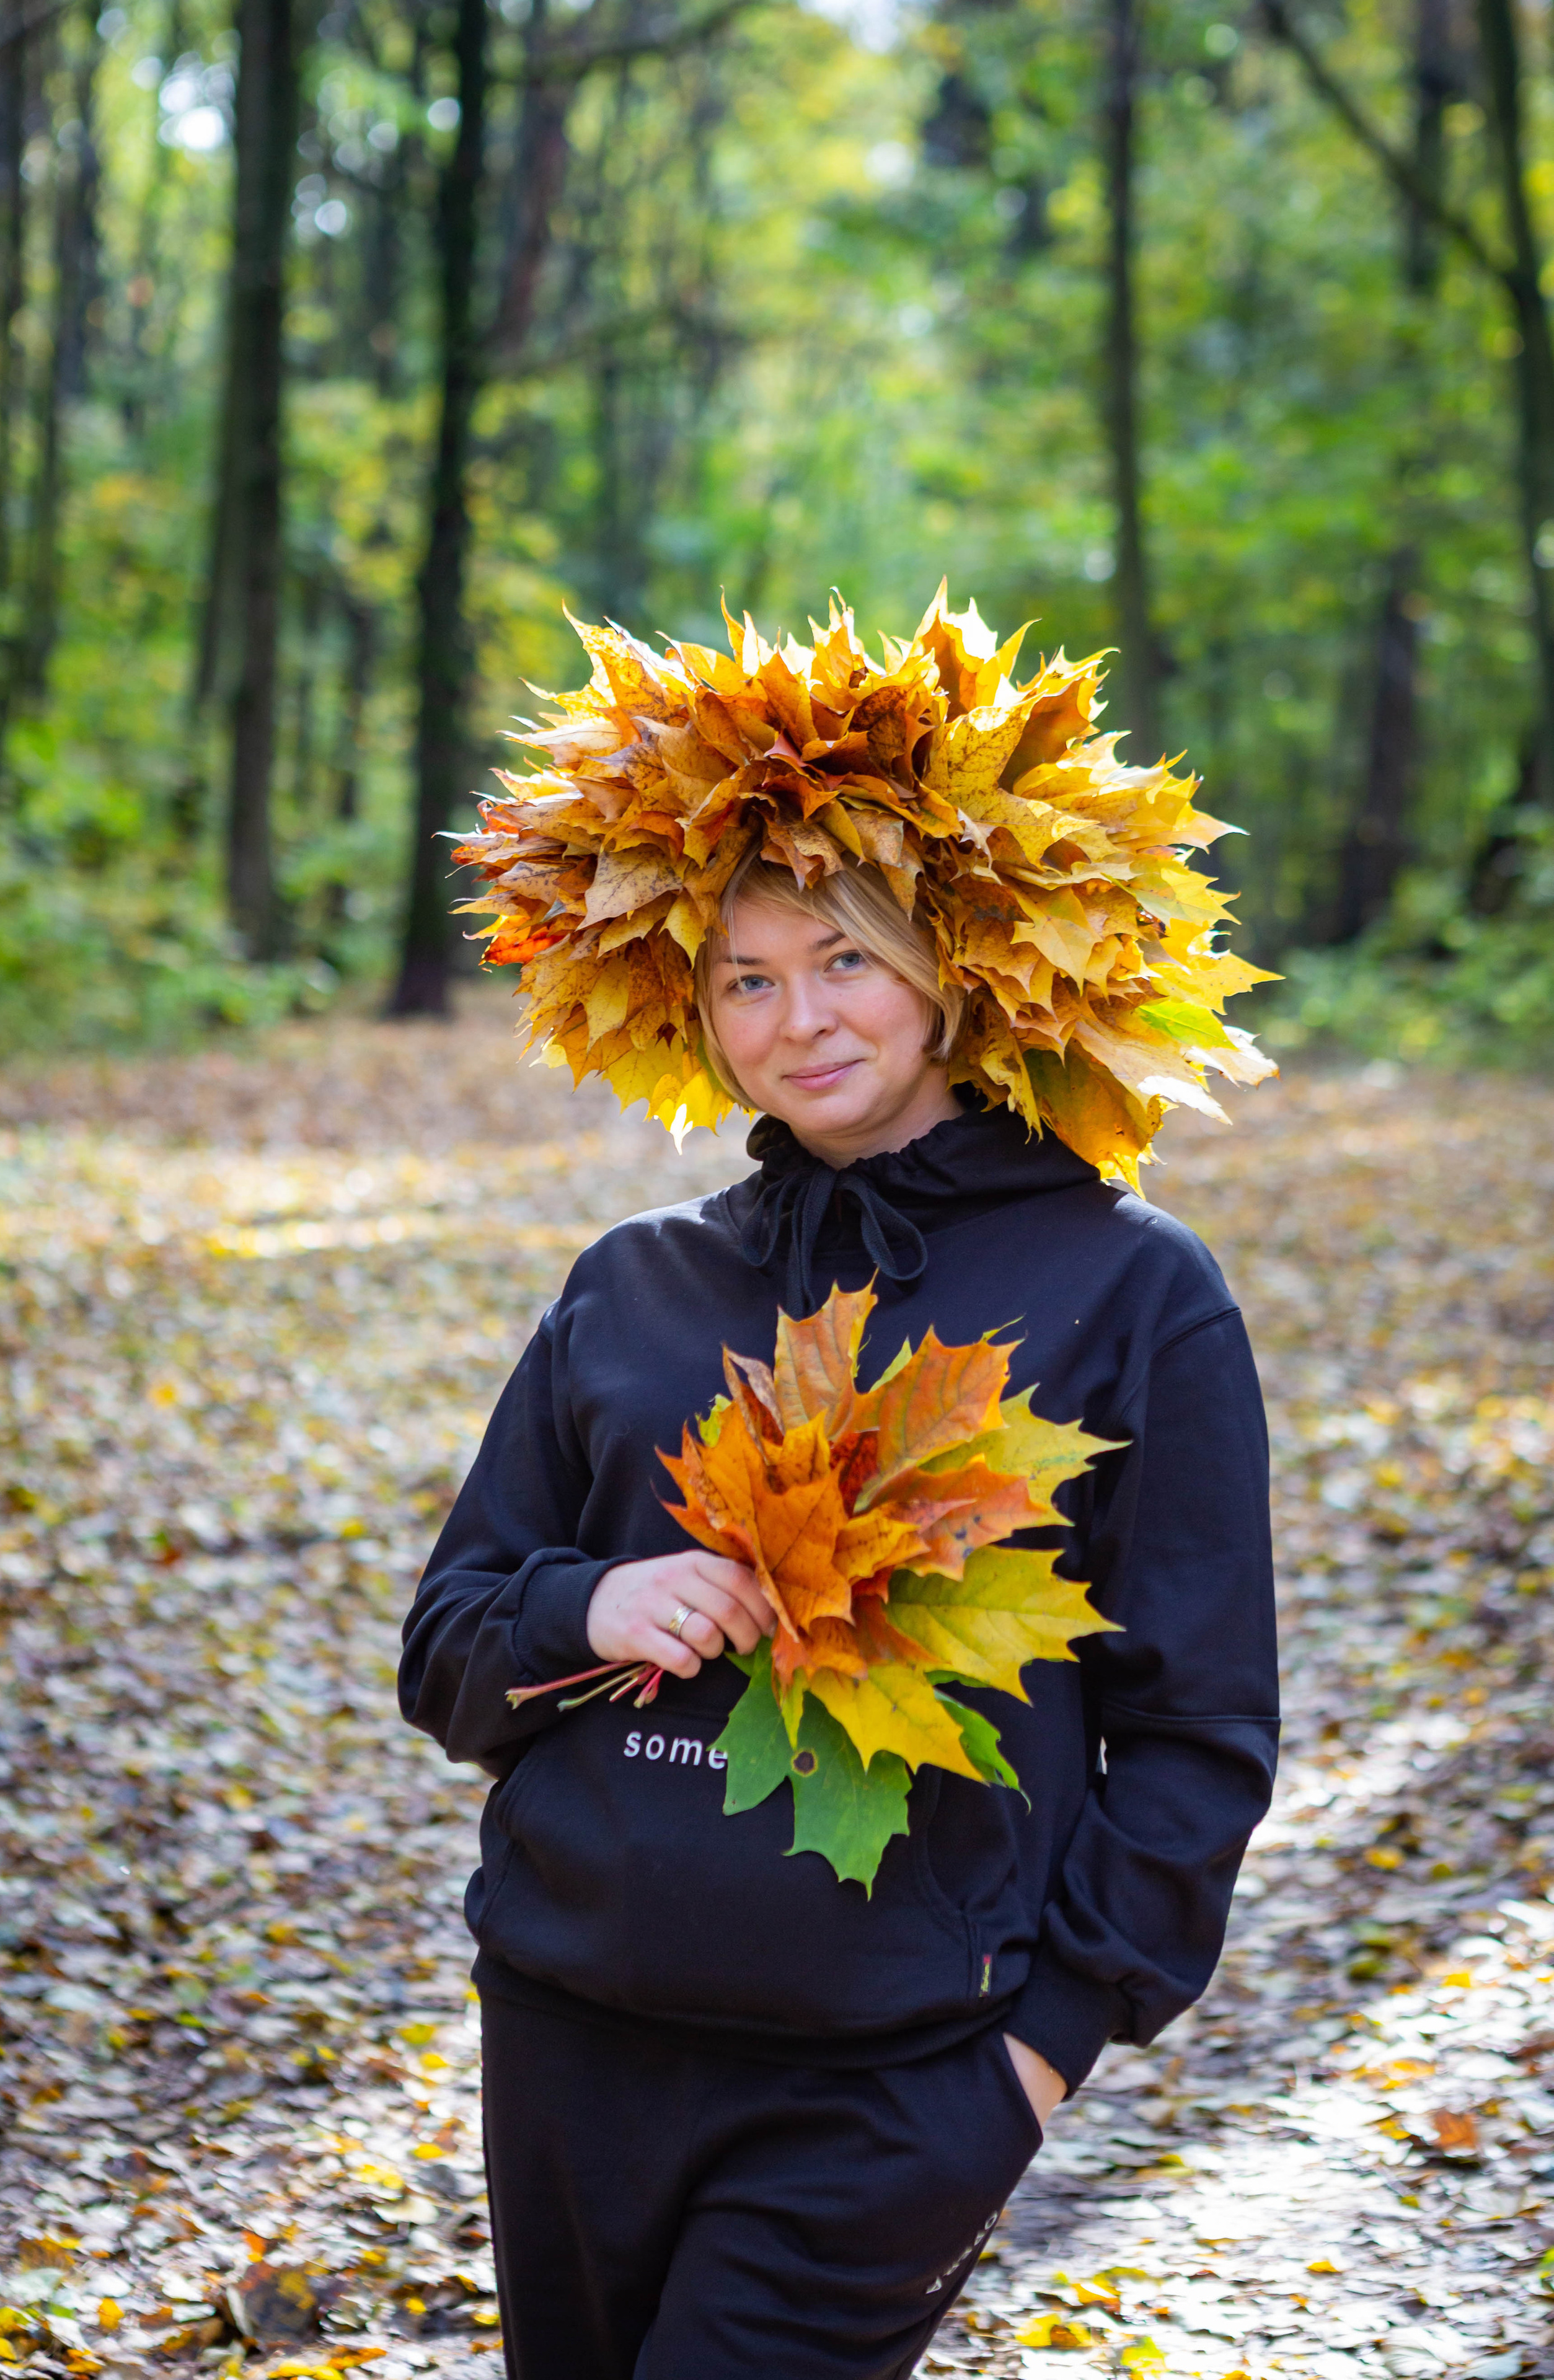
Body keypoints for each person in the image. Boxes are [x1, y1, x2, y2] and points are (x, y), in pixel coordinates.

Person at [399, 596, 1279, 2380]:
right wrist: (590, 1604)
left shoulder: (1132, 1289)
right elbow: (448, 1651)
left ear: (953, 958)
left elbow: (1199, 1730)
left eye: (846, 958)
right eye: (746, 977)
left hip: (896, 2085)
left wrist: (1035, 2060)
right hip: (570, 2041)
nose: (799, 1020)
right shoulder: (633, 1283)